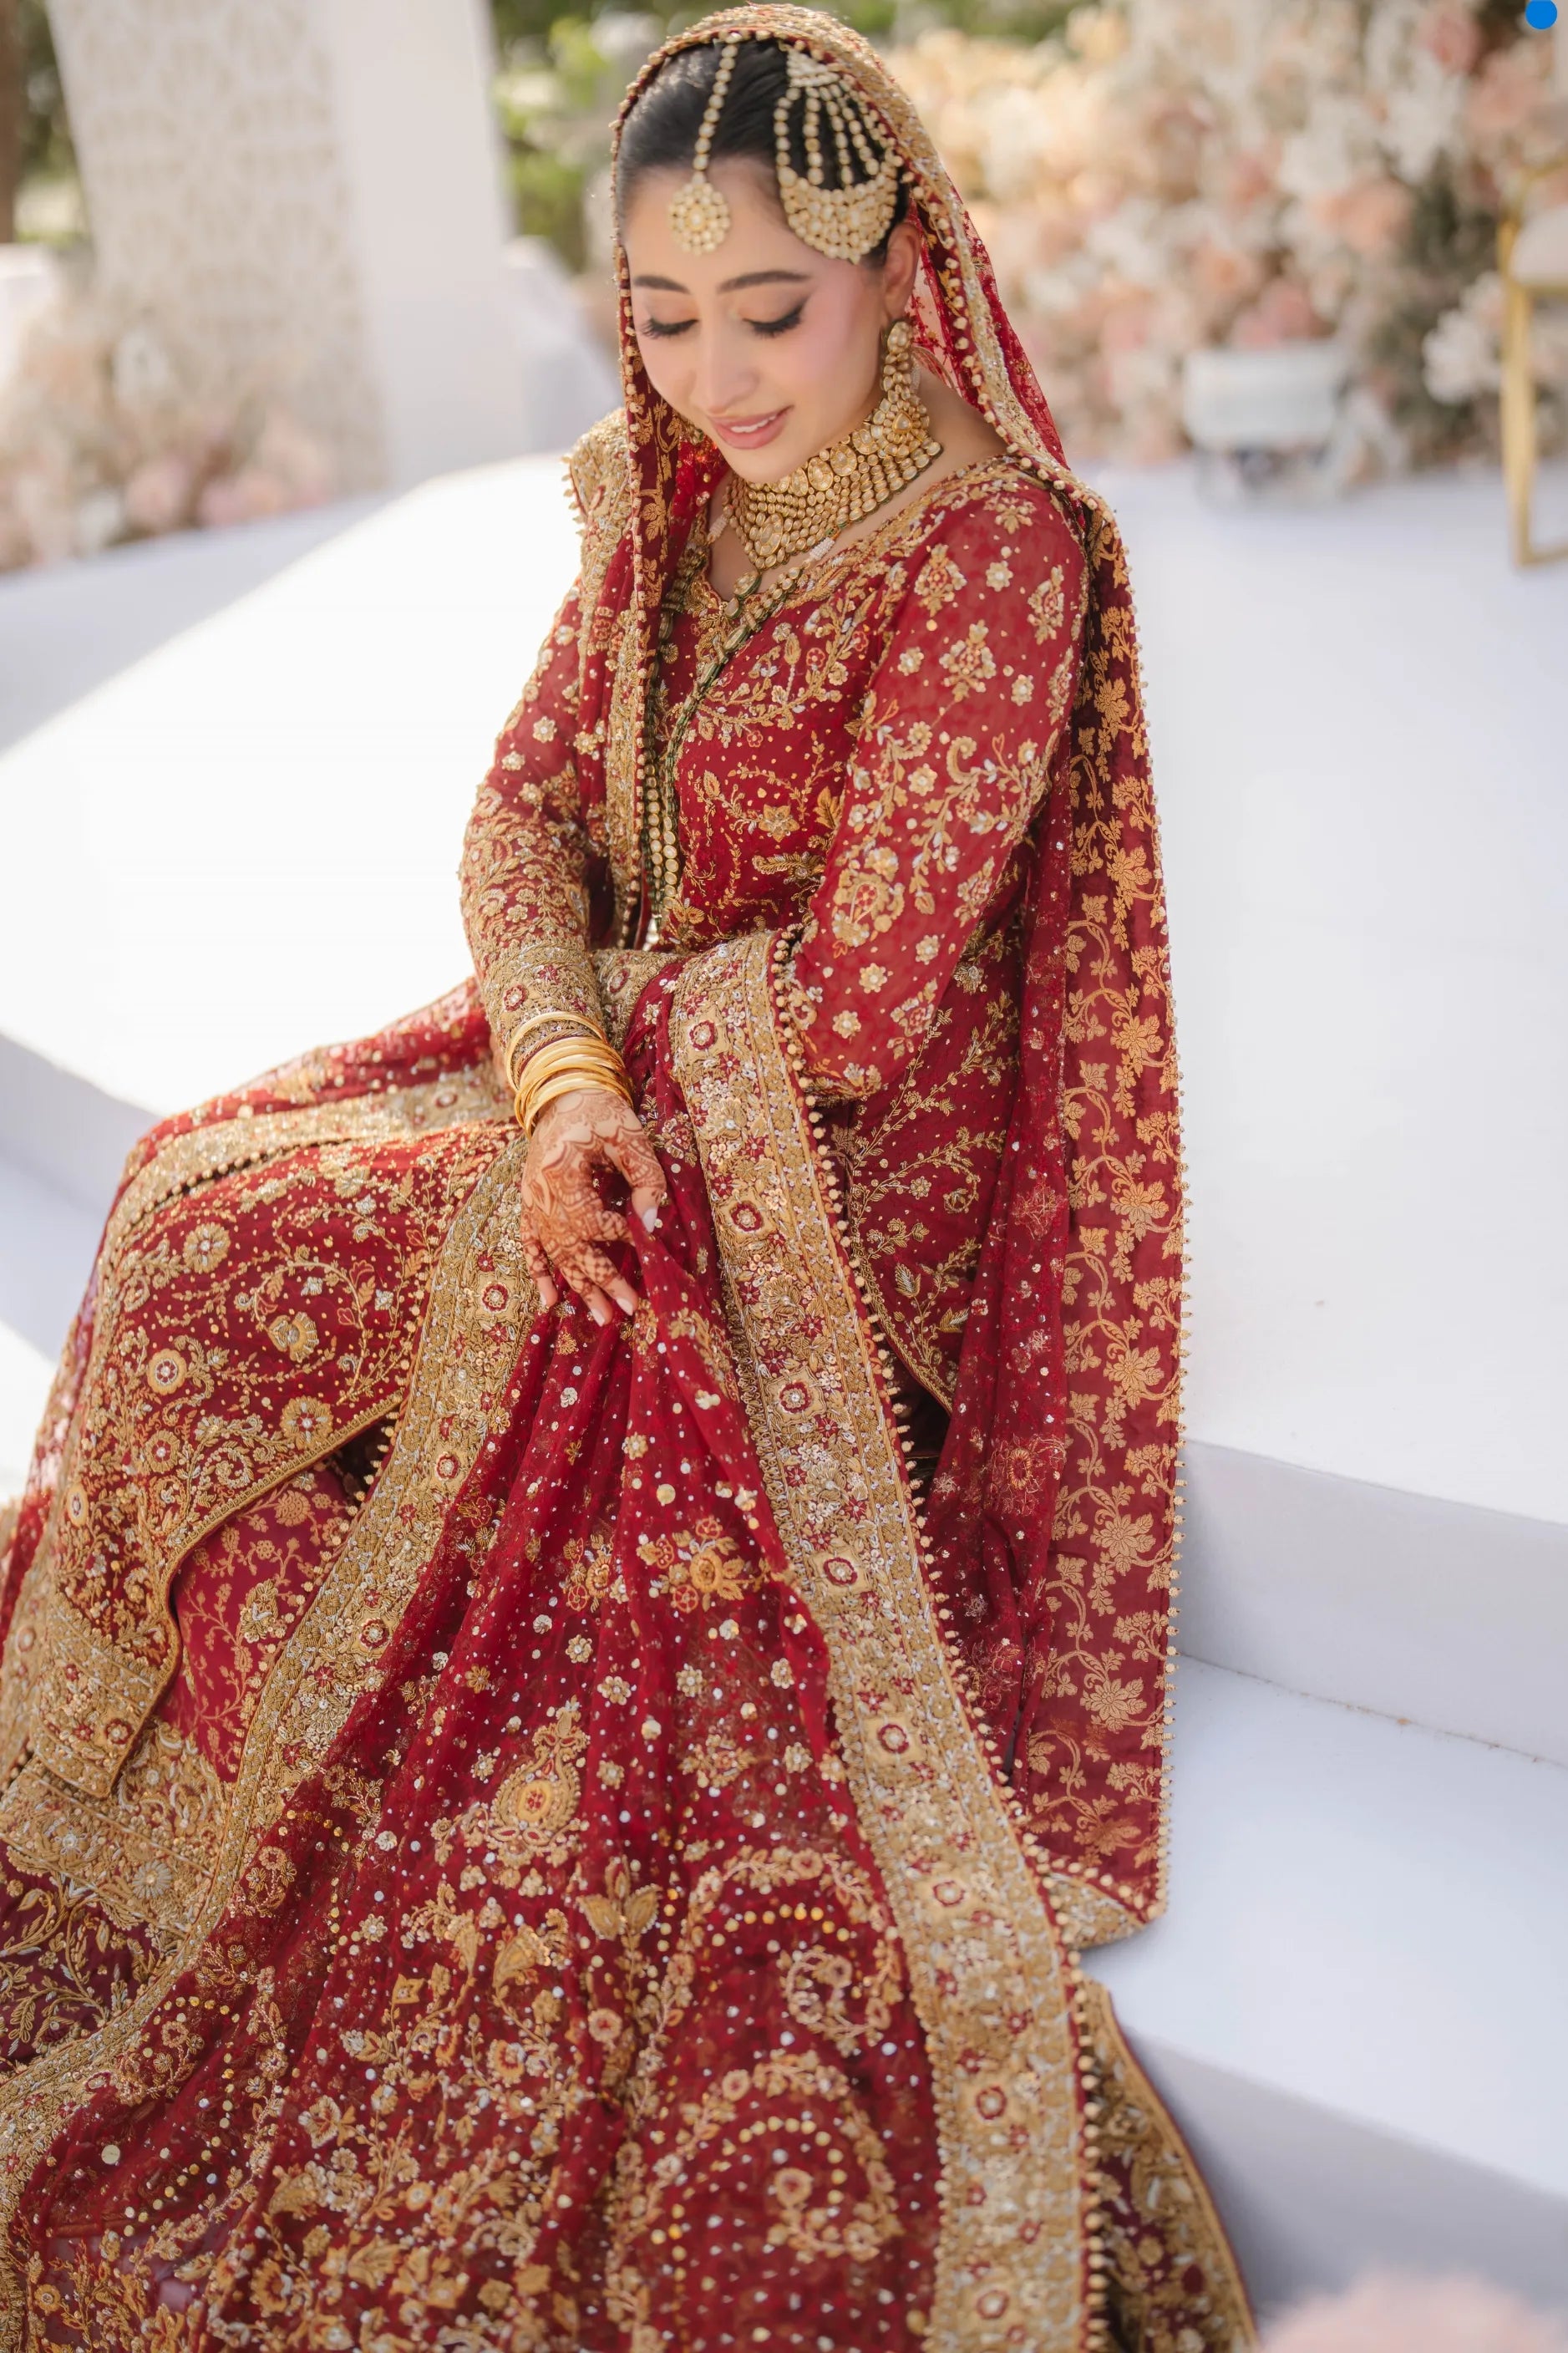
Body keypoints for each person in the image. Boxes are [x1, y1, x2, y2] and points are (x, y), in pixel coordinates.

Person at [0, 10, 1253, 2345]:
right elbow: (515, 817)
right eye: (663, 322)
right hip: (622, 1090)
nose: (716, 378)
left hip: (828, 1208)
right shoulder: (662, 503)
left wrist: (604, 1078)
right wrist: (563, 1077)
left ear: (905, 267)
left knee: (270, 1282)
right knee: (186, 1202)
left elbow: (870, 1002)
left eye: (769, 311)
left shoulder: (992, 561)